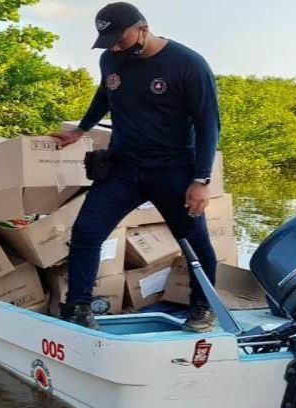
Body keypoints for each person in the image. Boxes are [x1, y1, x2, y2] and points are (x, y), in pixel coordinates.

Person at [51, 2, 220, 332]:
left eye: (120, 39)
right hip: (123, 168)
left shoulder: (188, 64)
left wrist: (201, 179)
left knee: (194, 241)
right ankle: (78, 308)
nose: (115, 47)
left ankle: (203, 308)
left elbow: (208, 124)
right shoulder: (111, 59)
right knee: (87, 231)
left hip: (173, 171)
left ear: (142, 28)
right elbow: (105, 96)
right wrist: (81, 129)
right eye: (108, 41)